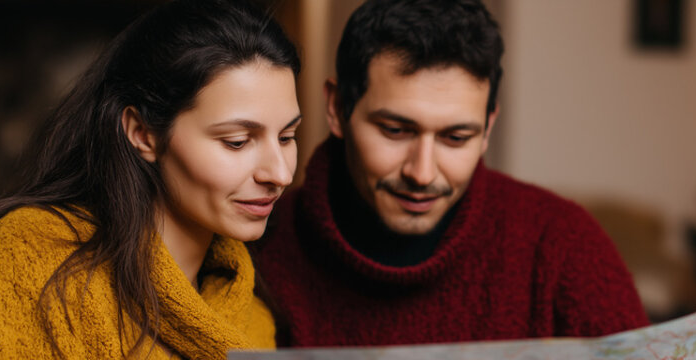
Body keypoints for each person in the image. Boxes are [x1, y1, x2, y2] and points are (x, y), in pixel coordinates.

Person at [252, 0, 649, 347]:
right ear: (337, 108)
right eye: (395, 130)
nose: (422, 173)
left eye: (456, 137)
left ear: (488, 128)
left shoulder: (563, 245)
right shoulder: (259, 246)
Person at [0, 0, 301, 358]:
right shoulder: (40, 258)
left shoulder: (255, 321)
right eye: (236, 142)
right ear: (142, 133)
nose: (279, 174)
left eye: (287, 137)